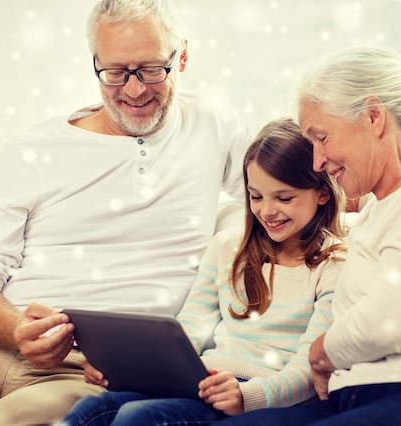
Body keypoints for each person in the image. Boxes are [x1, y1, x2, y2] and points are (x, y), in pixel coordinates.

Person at [0, 0, 250, 424]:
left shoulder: (214, 124)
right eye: (116, 72)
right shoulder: (31, 149)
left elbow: (295, 188)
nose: (135, 90)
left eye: (152, 69)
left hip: (83, 371)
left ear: (184, 56)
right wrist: (15, 328)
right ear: (95, 64)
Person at [215, 46, 401, 426]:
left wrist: (319, 353)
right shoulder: (376, 212)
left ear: (374, 117)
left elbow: (386, 325)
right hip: (359, 398)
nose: (317, 162)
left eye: (322, 137)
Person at [60, 117, 347, 426]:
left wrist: (246, 396)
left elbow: (310, 366)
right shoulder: (227, 248)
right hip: (204, 381)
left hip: (264, 393)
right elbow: (188, 332)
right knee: (90, 410)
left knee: (139, 417)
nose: (266, 211)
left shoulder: (336, 264)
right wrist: (123, 369)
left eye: (284, 198)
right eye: (256, 196)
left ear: (322, 193)